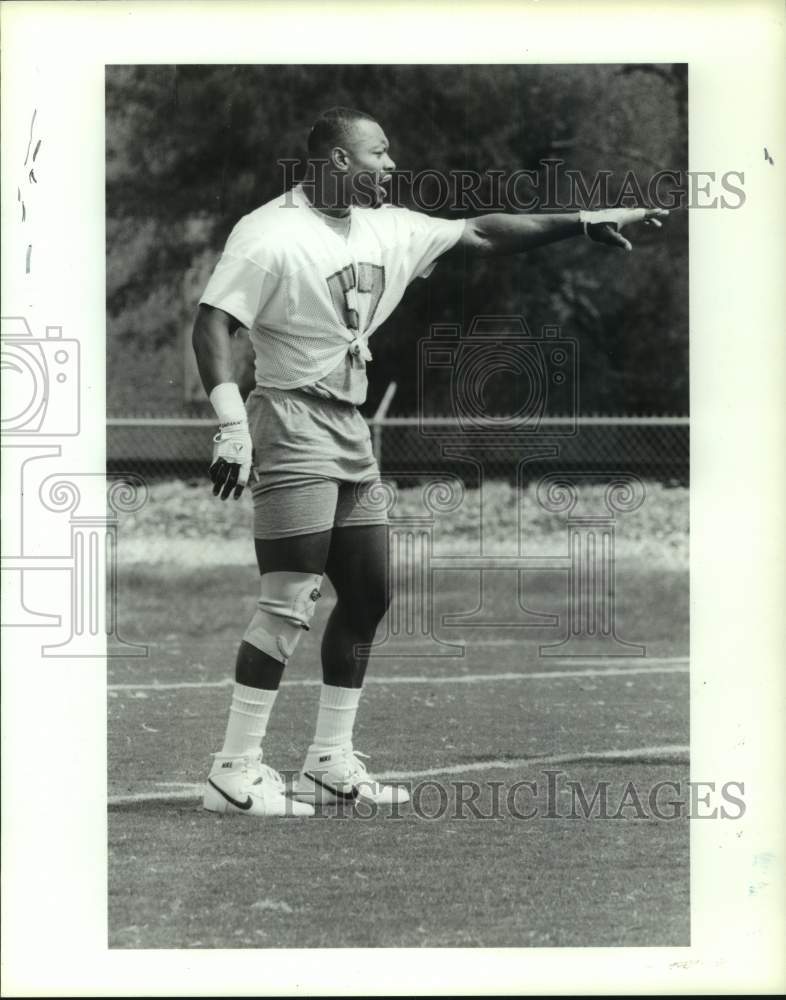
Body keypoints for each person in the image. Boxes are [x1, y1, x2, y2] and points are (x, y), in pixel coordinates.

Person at [192, 106, 667, 817]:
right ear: (336, 162)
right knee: (289, 602)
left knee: (371, 592)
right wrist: (232, 425)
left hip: (348, 426)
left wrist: (581, 219)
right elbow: (213, 323)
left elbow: (480, 231)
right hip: (289, 419)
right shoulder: (269, 235)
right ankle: (233, 771)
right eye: (377, 153)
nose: (390, 166)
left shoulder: (387, 226)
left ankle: (328, 760)